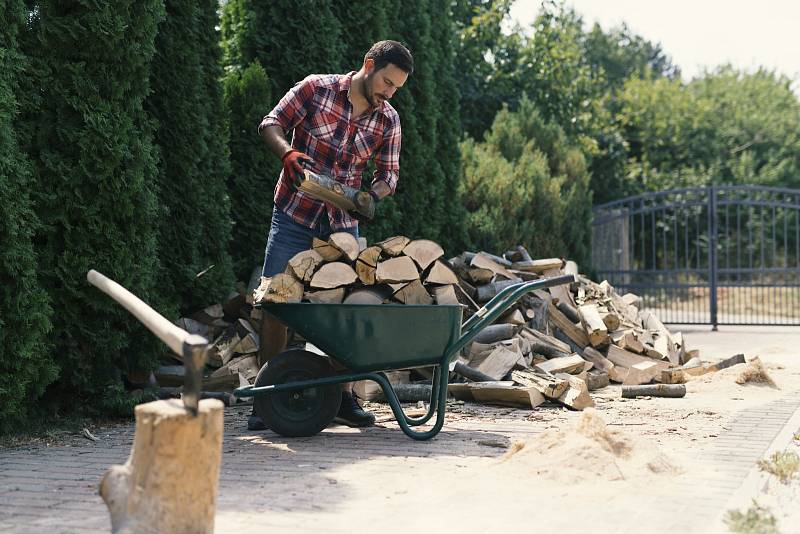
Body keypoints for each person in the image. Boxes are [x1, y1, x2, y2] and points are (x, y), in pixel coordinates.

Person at [249, 40, 414, 431]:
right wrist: (287, 154)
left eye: (396, 89)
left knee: (345, 314)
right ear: (368, 65)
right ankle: (264, 399)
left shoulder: (387, 119)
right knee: (277, 306)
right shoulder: (315, 89)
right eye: (386, 83)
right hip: (293, 216)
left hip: (343, 228)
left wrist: (369, 197)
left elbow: (389, 175)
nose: (389, 94)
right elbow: (270, 123)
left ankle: (342, 398)